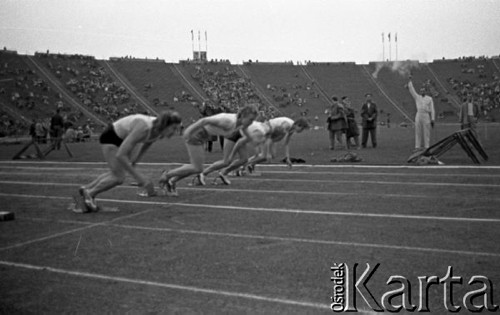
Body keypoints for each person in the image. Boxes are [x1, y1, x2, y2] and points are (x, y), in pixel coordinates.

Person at [78, 111, 182, 212]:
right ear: (165, 125)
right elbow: (120, 155)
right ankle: (89, 193)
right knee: (118, 177)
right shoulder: (144, 127)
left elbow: (147, 144)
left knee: (117, 172)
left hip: (122, 138)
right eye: (173, 128)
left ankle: (86, 189)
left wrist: (135, 162)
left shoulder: (158, 130)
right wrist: (140, 179)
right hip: (111, 137)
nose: (174, 132)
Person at [159, 104, 258, 196]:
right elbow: (204, 121)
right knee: (197, 168)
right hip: (197, 134)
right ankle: (167, 175)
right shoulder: (228, 121)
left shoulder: (240, 123)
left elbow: (245, 132)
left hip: (203, 136)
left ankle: (171, 181)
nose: (252, 122)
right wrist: (189, 130)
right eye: (250, 119)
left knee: (196, 167)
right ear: (243, 116)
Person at [242, 116, 310, 172]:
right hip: (266, 130)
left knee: (272, 155)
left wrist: (287, 158)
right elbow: (270, 138)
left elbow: (286, 144)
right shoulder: (286, 126)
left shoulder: (291, 129)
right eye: (302, 129)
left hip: (270, 133)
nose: (301, 131)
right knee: (265, 155)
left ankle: (250, 164)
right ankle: (245, 164)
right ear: (298, 125)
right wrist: (268, 152)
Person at [407, 77, 435, 151]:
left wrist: (432, 119)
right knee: (418, 131)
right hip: (418, 115)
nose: (422, 92)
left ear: (425, 91)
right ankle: (417, 147)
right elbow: (412, 90)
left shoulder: (429, 99)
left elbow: (432, 109)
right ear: (420, 91)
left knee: (426, 131)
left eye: (423, 91)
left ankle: (427, 147)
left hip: (426, 115)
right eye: (421, 91)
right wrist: (410, 81)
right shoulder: (417, 97)